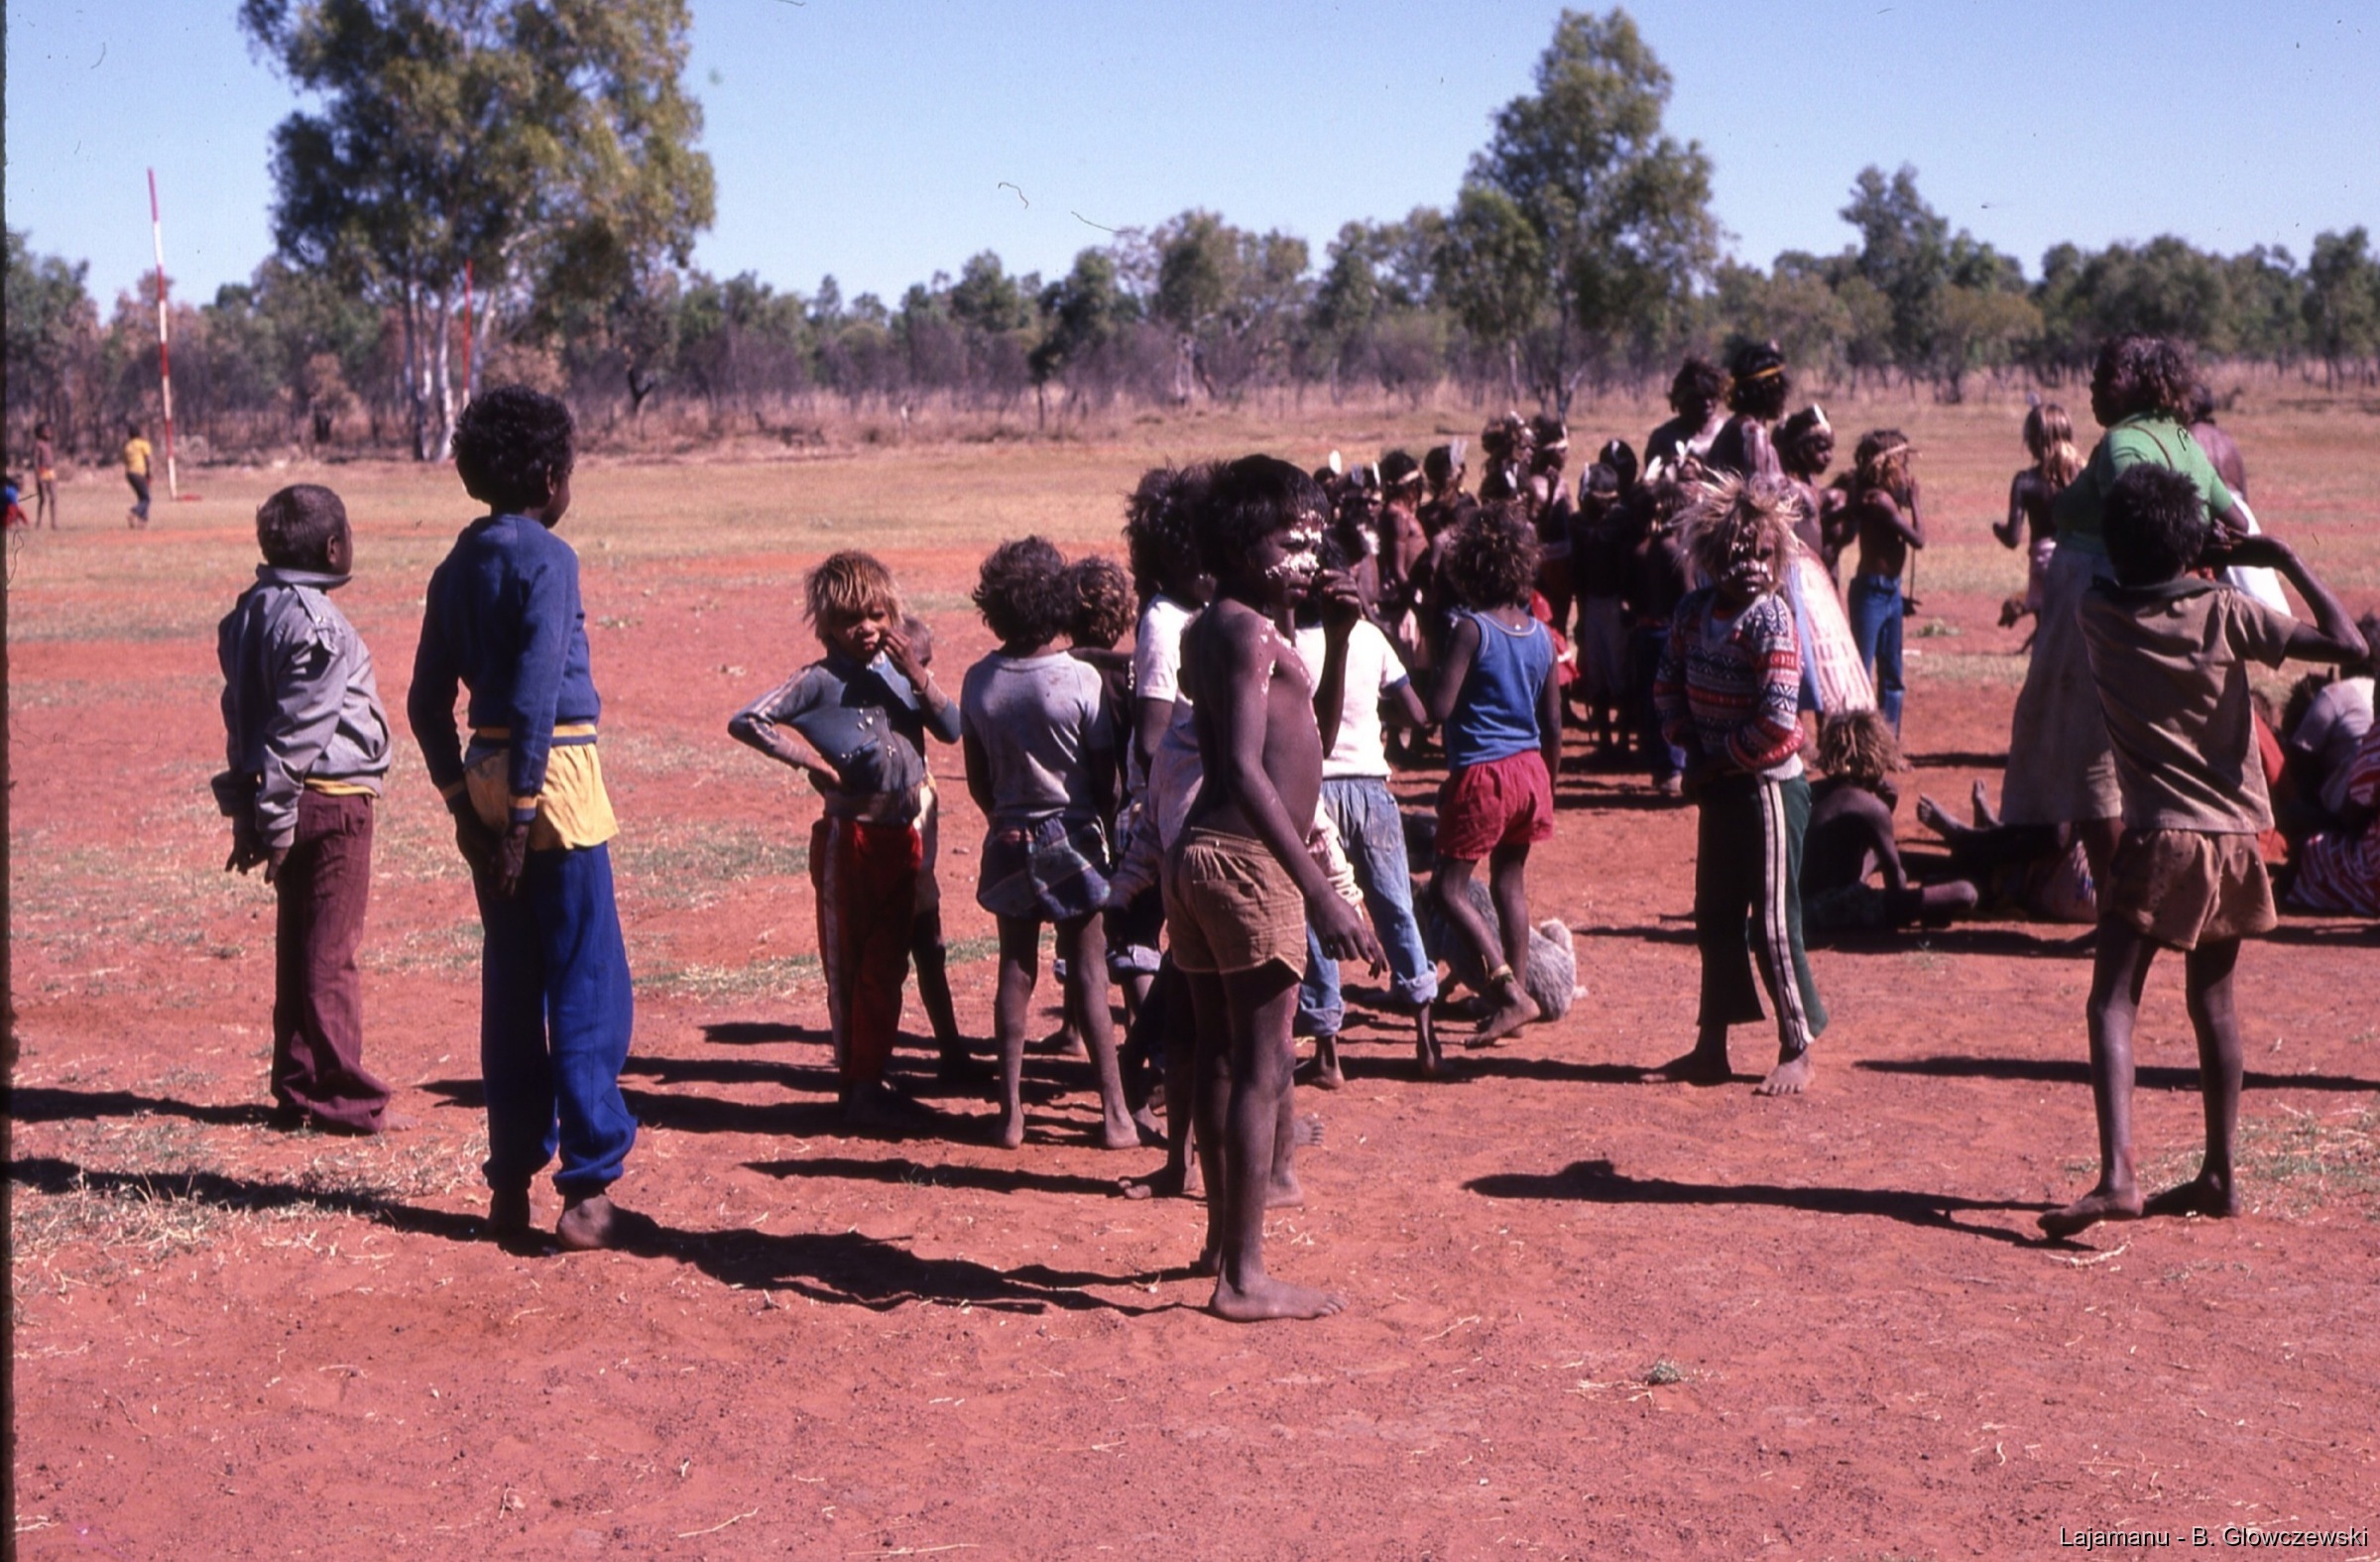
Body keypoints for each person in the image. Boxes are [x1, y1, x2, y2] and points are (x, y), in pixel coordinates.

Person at [2040, 464, 2367, 1239]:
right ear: (2198, 546)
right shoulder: (2226, 612)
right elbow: (2350, 645)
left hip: (2159, 834)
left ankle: (2120, 1175)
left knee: (2112, 1000)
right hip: (2236, 838)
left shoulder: (2098, 611)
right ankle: (2220, 1172)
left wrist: (2189, 556)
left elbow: (2125, 569)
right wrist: (2276, 557)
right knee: (2213, 1003)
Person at [407, 384, 638, 1250]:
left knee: (511, 982)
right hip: (556, 783)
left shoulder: (455, 565)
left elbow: (425, 702)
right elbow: (541, 688)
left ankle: (509, 1182)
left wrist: (464, 808)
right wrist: (523, 816)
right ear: (549, 477)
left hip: (485, 775)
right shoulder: (550, 556)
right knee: (586, 980)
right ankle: (587, 1188)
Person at [1170, 454, 1381, 1321]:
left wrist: (1337, 638)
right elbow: (1245, 769)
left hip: (1205, 857)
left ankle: (1224, 1246)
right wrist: (1321, 893)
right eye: (1288, 542)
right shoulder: (1247, 636)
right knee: (1263, 1065)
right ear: (1239, 545)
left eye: (1314, 541)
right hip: (1247, 859)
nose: (1308, 557)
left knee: (1222, 1056)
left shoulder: (1232, 630)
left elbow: (1310, 743)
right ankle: (1244, 1276)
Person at [1999, 335, 2257, 901]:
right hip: (2142, 603)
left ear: (2137, 381)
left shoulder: (2121, 444)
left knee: (2095, 772)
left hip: (2098, 613)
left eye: (2105, 376)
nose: (2092, 386)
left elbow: (2133, 522)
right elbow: (2238, 520)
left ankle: (2121, 913)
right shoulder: (2180, 438)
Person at [728, 553, 966, 1120]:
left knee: (888, 964)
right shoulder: (818, 681)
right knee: (850, 965)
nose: (866, 629)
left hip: (902, 835)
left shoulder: (900, 676)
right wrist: (808, 761)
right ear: (826, 627)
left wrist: (918, 676)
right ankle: (857, 1086)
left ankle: (869, 1080)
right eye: (849, 620)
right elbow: (749, 720)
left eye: (877, 616)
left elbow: (952, 729)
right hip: (850, 839)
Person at [214, 483, 403, 1136]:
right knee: (330, 954)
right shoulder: (317, 624)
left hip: (289, 802)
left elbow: (242, 718)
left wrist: (251, 810)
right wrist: (273, 815)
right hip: (331, 802)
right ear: (331, 548)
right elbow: (298, 732)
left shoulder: (250, 612)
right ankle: (342, 1097)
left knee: (300, 949)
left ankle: (298, 1084)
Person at [1652, 476, 1827, 1096]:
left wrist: (1714, 762)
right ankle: (1712, 1045)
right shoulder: (1692, 613)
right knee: (1715, 915)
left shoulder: (1772, 619)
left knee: (1772, 922)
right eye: (1735, 553)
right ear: (1709, 555)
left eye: (1761, 553)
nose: (1749, 565)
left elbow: (1779, 722)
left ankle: (1797, 1044)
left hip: (1767, 788)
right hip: (1720, 783)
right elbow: (1667, 686)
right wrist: (1692, 749)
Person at [961, 538, 1134, 1151]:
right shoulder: (1079, 678)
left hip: (1008, 836)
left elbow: (978, 779)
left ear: (993, 609)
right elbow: (1106, 777)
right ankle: (1115, 1113)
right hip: (1075, 836)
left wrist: (1005, 819)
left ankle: (1010, 1114)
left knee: (1015, 967)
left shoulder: (979, 681)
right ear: (1061, 605)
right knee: (1088, 969)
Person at [1293, 556, 1440, 1084]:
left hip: (1313, 793)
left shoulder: (1287, 644)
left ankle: (1327, 1050)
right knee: (1395, 905)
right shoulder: (1371, 638)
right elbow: (1418, 714)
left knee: (1318, 914)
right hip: (1373, 790)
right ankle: (1426, 1038)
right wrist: (1374, 714)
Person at [1424, 504, 1561, 1046]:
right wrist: (1548, 784)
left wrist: (1398, 696)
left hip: (1484, 774)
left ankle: (1508, 993)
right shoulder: (1542, 636)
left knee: (1447, 890)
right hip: (1530, 771)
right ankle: (1518, 994)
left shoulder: (1470, 630)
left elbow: (1438, 708)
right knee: (1510, 883)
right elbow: (1552, 724)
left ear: (1470, 568)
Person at [1800, 711, 1980, 938]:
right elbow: (1896, 883)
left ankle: (1942, 875)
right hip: (1835, 912)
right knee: (1966, 892)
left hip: (1798, 907)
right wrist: (1884, 811)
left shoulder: (1811, 791)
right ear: (1878, 756)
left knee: (1878, 857)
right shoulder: (1871, 808)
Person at [896, 614, 969, 1074]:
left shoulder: (917, 693)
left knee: (931, 949)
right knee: (893, 959)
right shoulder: (883, 695)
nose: (928, 672)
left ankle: (951, 1049)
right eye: (920, 662)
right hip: (894, 844)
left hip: (919, 856)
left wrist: (919, 677)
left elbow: (951, 726)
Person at [1842, 429, 1924, 734]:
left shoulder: (1878, 496)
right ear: (1887, 466)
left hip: (1889, 591)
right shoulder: (1880, 501)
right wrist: (1916, 502)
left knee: (1892, 674)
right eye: (1903, 464)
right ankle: (1858, 741)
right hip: (1872, 593)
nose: (1907, 472)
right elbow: (1918, 539)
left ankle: (1887, 743)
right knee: (1862, 671)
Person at [1622, 476, 1694, 796]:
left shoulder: (1647, 547)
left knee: (1654, 701)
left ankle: (1663, 767)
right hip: (1669, 633)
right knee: (1673, 701)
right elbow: (1688, 597)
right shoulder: (1672, 549)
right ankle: (1673, 767)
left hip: (1648, 631)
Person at [1995, 404, 2083, 629]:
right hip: (2080, 559)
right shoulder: (2082, 474)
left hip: (2043, 564)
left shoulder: (2025, 481)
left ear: (2033, 441)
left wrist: (1997, 528)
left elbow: (2012, 538)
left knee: (2046, 632)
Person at [1567, 460, 1632, 750]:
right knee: (1597, 672)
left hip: (1617, 606)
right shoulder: (1579, 526)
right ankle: (1605, 742)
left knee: (1620, 673)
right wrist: (1581, 615)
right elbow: (1579, 576)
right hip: (1592, 604)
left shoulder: (1622, 524)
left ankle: (1622, 742)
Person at [1705, 341, 1788, 483]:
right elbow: (1759, 493)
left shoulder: (1732, 427)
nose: (1784, 397)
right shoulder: (1754, 434)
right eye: (1781, 390)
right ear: (1768, 389)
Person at [1776, 406, 1838, 568]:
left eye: (1830, 448)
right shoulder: (1790, 487)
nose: (1828, 456)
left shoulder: (1810, 481)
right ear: (1801, 447)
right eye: (1821, 448)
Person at [1644, 358, 1727, 472]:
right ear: (1682, 400)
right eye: (1699, 398)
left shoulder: (1726, 433)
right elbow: (1651, 479)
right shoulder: (1663, 438)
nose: (1707, 403)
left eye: (1711, 396)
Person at [122, 421, 153, 528]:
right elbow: (148, 459)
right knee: (146, 498)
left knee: (142, 497)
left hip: (129, 473)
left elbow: (125, 460)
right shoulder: (143, 444)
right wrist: (148, 473)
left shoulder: (127, 446)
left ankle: (142, 522)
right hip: (139, 472)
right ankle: (133, 512)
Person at [33, 421, 60, 529]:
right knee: (43, 498)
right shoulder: (38, 444)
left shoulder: (49, 444)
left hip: (50, 472)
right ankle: (38, 522)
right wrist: (38, 475)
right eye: (46, 430)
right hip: (42, 471)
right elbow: (35, 460)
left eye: (49, 430)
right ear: (40, 432)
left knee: (53, 497)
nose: (48, 432)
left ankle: (54, 523)